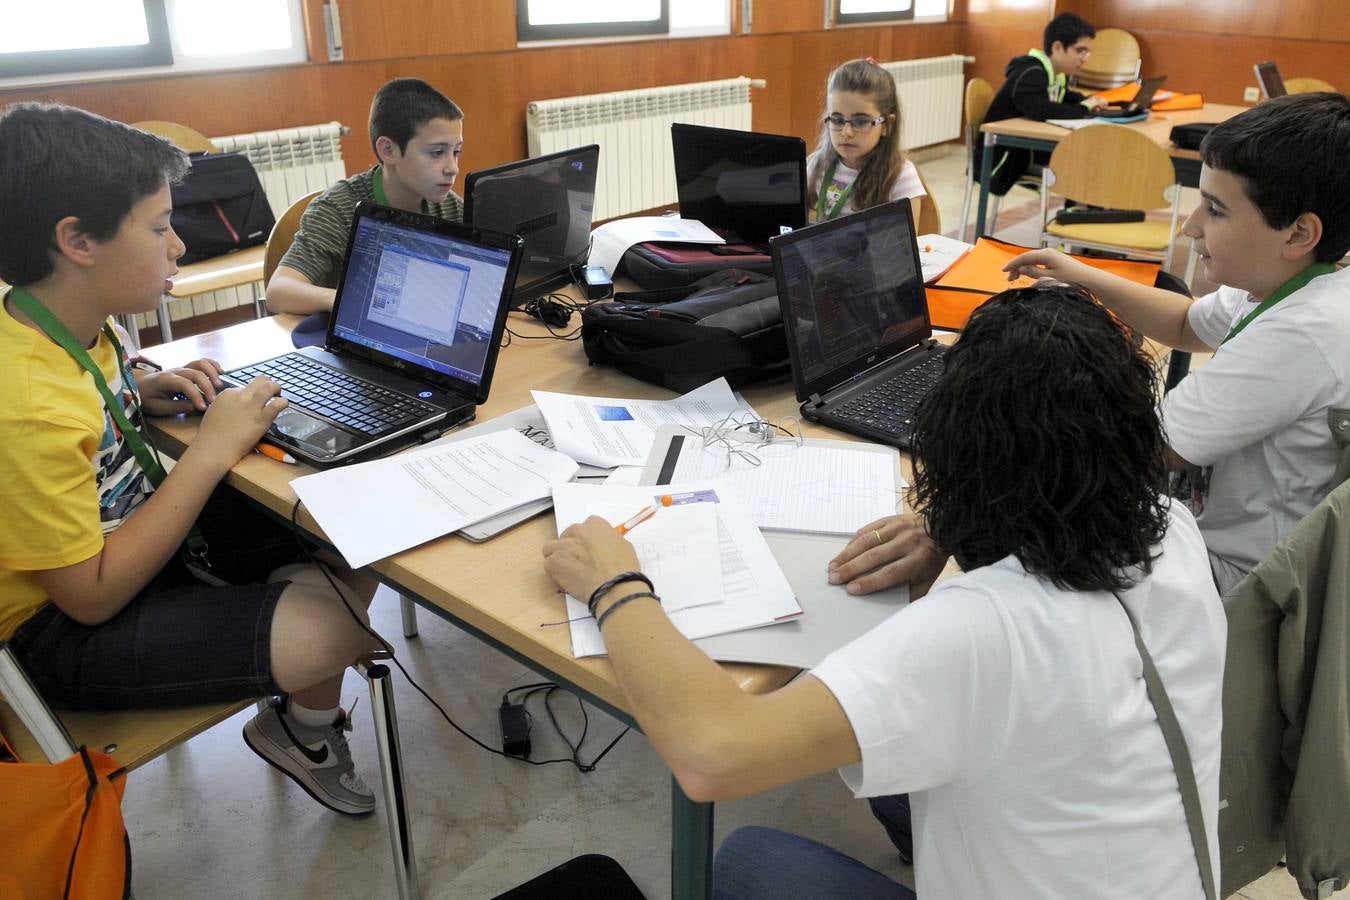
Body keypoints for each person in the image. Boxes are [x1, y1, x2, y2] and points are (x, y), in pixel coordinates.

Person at [542, 285, 1226, 898]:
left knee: (749, 861)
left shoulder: (982, 629)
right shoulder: (1176, 531)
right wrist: (949, 521)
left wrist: (617, 586)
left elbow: (712, 754)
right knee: (892, 758)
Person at [0, 102, 380, 816]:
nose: (178, 246)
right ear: (77, 241)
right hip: (57, 628)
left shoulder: (62, 315)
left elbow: (81, 402)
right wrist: (209, 450)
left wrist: (139, 393)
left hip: (125, 539)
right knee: (337, 630)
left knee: (353, 532)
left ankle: (302, 730)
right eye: (159, 227)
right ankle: (305, 707)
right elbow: (90, 597)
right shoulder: (20, 404)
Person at [1002, 92, 1350, 595]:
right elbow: (1187, 324)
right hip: (1214, 532)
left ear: (1298, 233)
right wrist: (1086, 276)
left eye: (1215, 210)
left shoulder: (1300, 332)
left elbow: (1144, 449)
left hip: (1239, 578)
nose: (1190, 227)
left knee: (1030, 568)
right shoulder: (1287, 280)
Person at [265, 77, 465, 315]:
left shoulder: (452, 209)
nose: (453, 167)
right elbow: (278, 291)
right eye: (437, 153)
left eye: (456, 152)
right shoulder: (340, 208)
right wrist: (353, 299)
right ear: (388, 150)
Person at [979, 12, 1108, 196]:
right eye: (1080, 50)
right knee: (1083, 161)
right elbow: (1041, 110)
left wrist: (1091, 101)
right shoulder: (1031, 72)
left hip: (1026, 153)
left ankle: (1080, 215)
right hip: (1001, 159)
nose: (1085, 58)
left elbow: (1065, 97)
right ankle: (1075, 217)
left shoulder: (1056, 75)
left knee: (1089, 157)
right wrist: (1085, 107)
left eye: (1088, 52)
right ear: (1057, 47)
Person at [806, 58, 927, 226]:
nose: (846, 133)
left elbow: (902, 247)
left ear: (887, 125)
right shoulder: (815, 165)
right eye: (838, 120)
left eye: (861, 122)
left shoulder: (900, 176)